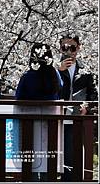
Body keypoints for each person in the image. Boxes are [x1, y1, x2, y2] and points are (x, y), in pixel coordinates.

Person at [15, 43, 62, 182]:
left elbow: (19, 95)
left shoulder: (28, 75)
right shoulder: (54, 75)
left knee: (31, 157)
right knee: (49, 155)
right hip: (50, 121)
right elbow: (59, 90)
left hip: (29, 121)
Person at [56, 34, 97, 181]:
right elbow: (50, 88)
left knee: (72, 154)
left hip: (76, 117)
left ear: (78, 48)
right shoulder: (53, 67)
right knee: (54, 153)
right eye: (64, 48)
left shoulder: (85, 69)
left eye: (72, 48)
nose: (68, 51)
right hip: (56, 116)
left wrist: (86, 106)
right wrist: (58, 71)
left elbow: (93, 93)